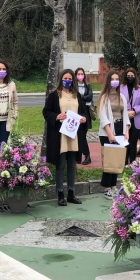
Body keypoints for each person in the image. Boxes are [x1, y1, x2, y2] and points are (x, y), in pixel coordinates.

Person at [43, 69, 88, 206]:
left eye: (70, 78)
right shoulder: (54, 95)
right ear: (61, 79)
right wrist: (56, 116)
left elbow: (83, 112)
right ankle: (60, 194)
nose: (67, 81)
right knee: (60, 164)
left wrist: (83, 118)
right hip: (60, 135)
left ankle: (71, 193)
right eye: (65, 78)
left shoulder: (77, 95)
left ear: (73, 80)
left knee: (72, 165)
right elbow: (46, 111)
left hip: (74, 134)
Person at [97, 70, 130, 198]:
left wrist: (126, 130)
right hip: (107, 132)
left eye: (117, 79)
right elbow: (103, 117)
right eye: (113, 79)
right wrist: (110, 134)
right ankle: (106, 187)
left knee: (117, 158)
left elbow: (126, 115)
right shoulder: (104, 97)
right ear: (108, 81)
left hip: (120, 129)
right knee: (109, 159)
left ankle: (114, 186)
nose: (115, 81)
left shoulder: (121, 96)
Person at [120, 67, 140, 164]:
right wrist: (126, 112)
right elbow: (118, 102)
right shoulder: (120, 88)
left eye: (132, 76)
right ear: (125, 77)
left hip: (136, 118)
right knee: (125, 141)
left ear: (135, 77)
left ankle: (132, 162)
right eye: (128, 76)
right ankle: (124, 162)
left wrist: (134, 111)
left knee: (133, 141)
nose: (130, 77)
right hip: (124, 117)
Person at [75, 67, 93, 165]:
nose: (80, 75)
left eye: (82, 73)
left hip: (85, 112)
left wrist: (79, 97)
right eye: (78, 74)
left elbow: (90, 97)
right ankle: (78, 157)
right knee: (76, 135)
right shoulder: (73, 86)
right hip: (75, 112)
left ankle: (87, 155)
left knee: (82, 135)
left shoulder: (88, 85)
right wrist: (82, 98)